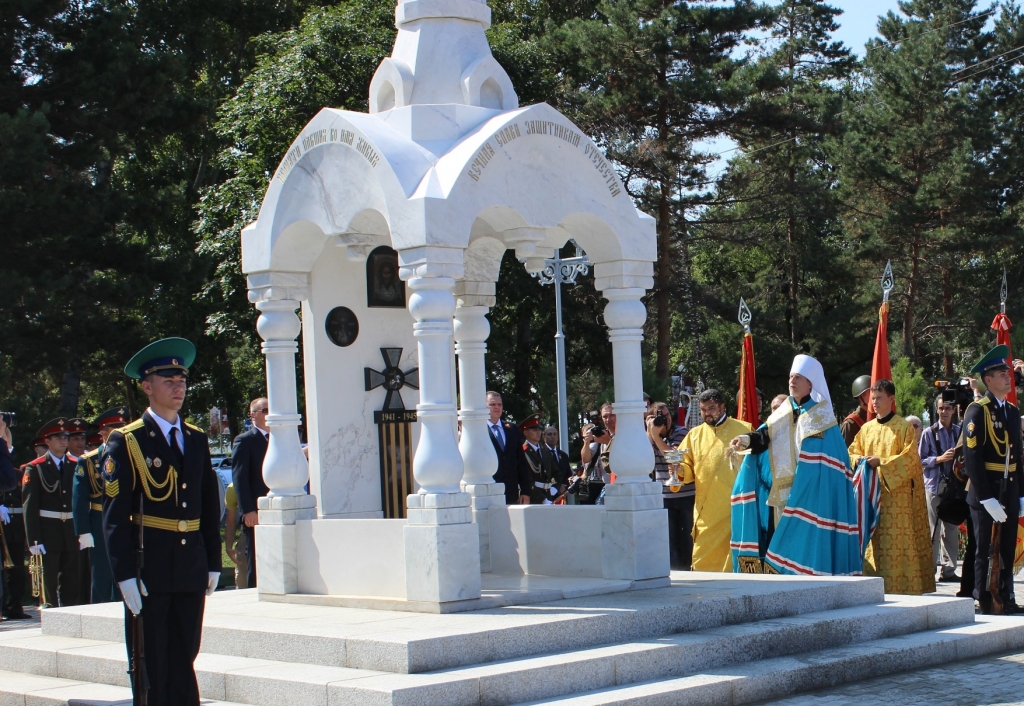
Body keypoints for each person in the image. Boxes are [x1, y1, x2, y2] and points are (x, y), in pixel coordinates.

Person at [102, 337, 222, 705]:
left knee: (185, 654)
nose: (178, 388)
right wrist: (124, 575)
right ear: (147, 387)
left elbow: (207, 505)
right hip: (150, 566)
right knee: (152, 660)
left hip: (189, 565)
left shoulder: (195, 438)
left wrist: (213, 561)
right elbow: (115, 515)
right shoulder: (128, 440)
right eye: (168, 381)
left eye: (182, 381)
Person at [729, 356, 861, 576]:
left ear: (810, 383)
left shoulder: (822, 417)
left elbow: (828, 460)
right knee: (778, 543)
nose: (792, 381)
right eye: (791, 377)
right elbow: (764, 436)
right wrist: (744, 440)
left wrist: (806, 481)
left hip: (811, 496)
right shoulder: (783, 412)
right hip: (781, 495)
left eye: (798, 377)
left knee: (804, 547)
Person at [848, 380, 934, 594]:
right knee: (874, 543)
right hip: (870, 497)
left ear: (891, 399)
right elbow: (851, 453)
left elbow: (910, 459)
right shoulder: (866, 429)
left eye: (879, 398)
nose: (874, 402)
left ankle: (903, 589)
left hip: (897, 501)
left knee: (897, 545)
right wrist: (859, 460)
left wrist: (882, 463)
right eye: (872, 398)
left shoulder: (903, 427)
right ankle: (871, 588)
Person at [961, 344, 1024, 614]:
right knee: (984, 548)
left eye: (1008, 373)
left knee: (1006, 546)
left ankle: (1005, 595)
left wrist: (1021, 493)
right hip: (985, 491)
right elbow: (972, 458)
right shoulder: (978, 411)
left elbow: (1017, 456)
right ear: (988, 379)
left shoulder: (1011, 411)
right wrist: (986, 497)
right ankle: (983, 598)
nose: (1009, 377)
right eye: (1002, 374)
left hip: (1008, 489)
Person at [678, 389, 751, 572]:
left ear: (722, 407)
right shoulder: (694, 435)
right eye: (703, 410)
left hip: (736, 506)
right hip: (707, 511)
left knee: (734, 558)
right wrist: (679, 470)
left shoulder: (744, 430)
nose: (707, 413)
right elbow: (686, 465)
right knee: (702, 560)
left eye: (711, 408)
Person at [22, 418, 82, 607]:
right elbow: (30, 507)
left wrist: (84, 530)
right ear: (47, 441)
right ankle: (51, 614)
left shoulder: (76, 464)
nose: (63, 441)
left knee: (72, 582)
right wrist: (34, 540)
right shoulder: (36, 467)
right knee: (49, 581)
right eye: (58, 437)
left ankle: (71, 615)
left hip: (71, 531)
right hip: (48, 532)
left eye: (65, 437)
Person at [73, 407, 129, 603]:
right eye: (116, 429)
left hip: (126, 519)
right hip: (99, 520)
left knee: (125, 572)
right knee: (102, 575)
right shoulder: (88, 461)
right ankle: (99, 610)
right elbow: (79, 498)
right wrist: (83, 530)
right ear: (103, 432)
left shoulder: (131, 455)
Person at [919, 396, 962, 582]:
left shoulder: (959, 432)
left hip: (953, 487)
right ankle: (930, 571)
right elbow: (919, 460)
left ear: (953, 411)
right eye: (941, 408)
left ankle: (949, 571)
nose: (944, 412)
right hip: (934, 486)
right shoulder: (928, 433)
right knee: (933, 530)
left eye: (948, 408)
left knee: (951, 529)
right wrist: (939, 459)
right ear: (936, 410)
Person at [647, 400, 691, 570]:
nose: (665, 420)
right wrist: (649, 433)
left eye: (666, 415)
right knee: (669, 541)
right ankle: (675, 572)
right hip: (664, 496)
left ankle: (689, 570)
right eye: (660, 417)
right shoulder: (649, 436)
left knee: (687, 539)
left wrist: (657, 437)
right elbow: (645, 460)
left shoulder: (681, 432)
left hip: (686, 495)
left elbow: (673, 457)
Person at [232, 397, 269, 588]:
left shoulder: (281, 438)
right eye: (265, 410)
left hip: (278, 507)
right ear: (253, 415)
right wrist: (248, 510)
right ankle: (256, 591)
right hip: (256, 511)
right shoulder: (245, 440)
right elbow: (240, 478)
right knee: (257, 559)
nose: (270, 414)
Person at [486, 392, 530, 505]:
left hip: (511, 492)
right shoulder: (480, 430)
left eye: (499, 404)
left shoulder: (512, 429)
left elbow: (521, 461)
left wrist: (525, 491)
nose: (497, 407)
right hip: (489, 492)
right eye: (492, 404)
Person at [520, 414, 557, 504]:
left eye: (539, 429)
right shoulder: (523, 452)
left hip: (548, 495)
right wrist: (543, 499)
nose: (538, 432)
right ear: (525, 432)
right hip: (533, 498)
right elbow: (527, 479)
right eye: (534, 430)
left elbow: (556, 472)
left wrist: (555, 487)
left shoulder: (545, 450)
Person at [224, 482, 248, 589]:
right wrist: (229, 546)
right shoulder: (233, 488)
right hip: (247, 534)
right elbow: (230, 521)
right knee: (243, 580)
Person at [840, 375, 872, 446]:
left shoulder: (878, 418)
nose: (875, 395)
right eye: (871, 392)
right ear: (862, 396)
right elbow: (845, 451)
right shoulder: (850, 424)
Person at [542, 426, 571, 494]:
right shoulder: (541, 453)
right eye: (549, 434)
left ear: (557, 437)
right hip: (546, 492)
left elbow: (568, 474)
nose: (553, 437)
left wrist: (564, 485)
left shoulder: (563, 455)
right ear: (544, 437)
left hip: (562, 493)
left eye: (555, 434)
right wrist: (557, 486)